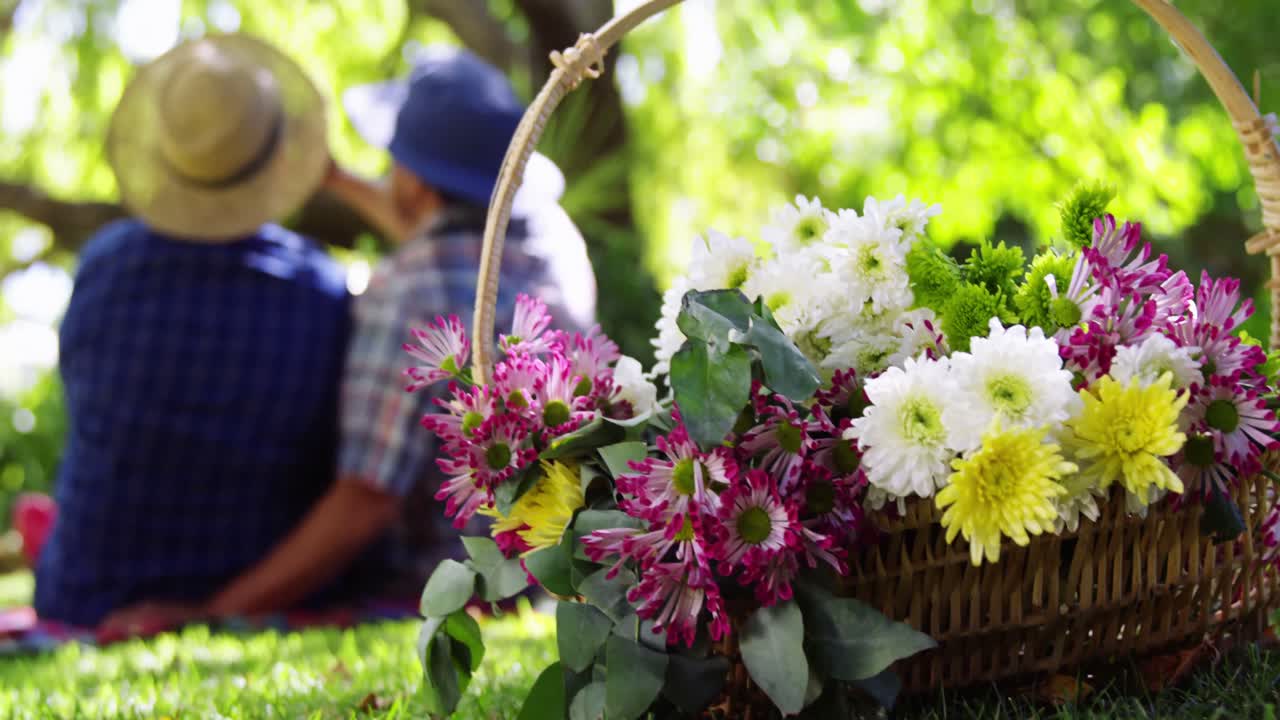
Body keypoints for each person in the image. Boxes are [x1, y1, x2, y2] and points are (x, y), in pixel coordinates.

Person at [103, 46, 597, 628]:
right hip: (546, 573)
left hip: (442, 584)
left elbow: (366, 500)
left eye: (393, 161)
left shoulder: (405, 293)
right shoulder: (560, 253)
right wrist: (339, 181)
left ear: (413, 182)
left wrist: (214, 613)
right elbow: (453, 243)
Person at [35, 34, 349, 629]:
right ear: (281, 155)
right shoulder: (320, 289)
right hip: (258, 585)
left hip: (84, 595)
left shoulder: (102, 266)